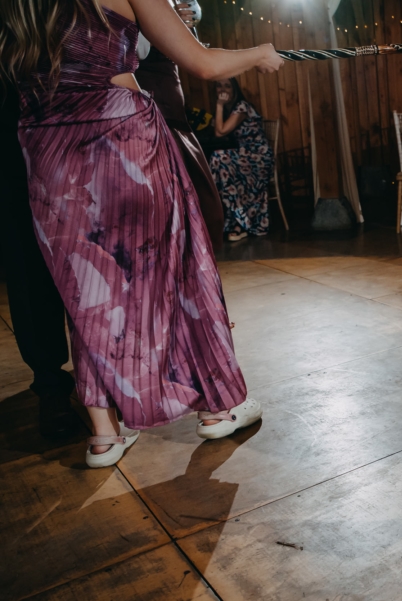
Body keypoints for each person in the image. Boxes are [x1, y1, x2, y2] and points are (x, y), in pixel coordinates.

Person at [1, 0, 283, 467]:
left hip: (47, 153)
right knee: (176, 271)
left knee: (86, 292)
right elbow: (203, 63)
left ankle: (103, 436)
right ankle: (217, 408)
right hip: (123, 144)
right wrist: (258, 53)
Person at [0, 89, 80, 440]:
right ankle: (50, 387)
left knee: (91, 271)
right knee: (30, 273)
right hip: (10, 136)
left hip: (70, 130)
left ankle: (108, 377)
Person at [135, 2, 225, 252]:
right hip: (149, 115)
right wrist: (164, 23)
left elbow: (190, 46)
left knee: (207, 213)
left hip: (176, 116)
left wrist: (188, 22)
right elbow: (137, 50)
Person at [208, 78, 273, 242]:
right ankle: (234, 219)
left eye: (227, 86)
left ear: (235, 89)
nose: (223, 89)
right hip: (243, 156)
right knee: (221, 166)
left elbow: (219, 132)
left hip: (258, 157)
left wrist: (219, 105)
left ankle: (232, 219)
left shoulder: (242, 107)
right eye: (219, 85)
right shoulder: (230, 111)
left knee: (218, 158)